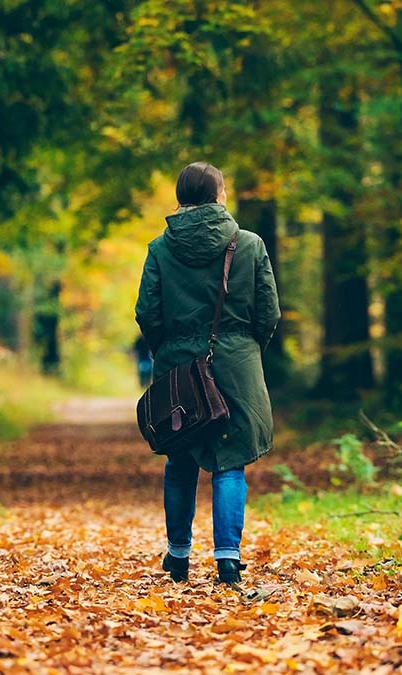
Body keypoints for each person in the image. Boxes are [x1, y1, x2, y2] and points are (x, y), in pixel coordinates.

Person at [134, 161, 281, 584]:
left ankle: (178, 556)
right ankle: (228, 560)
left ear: (181, 197)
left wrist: (168, 350)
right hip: (236, 365)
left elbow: (148, 312)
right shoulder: (249, 244)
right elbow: (268, 312)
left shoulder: (160, 248)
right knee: (230, 461)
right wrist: (247, 350)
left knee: (180, 457)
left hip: (177, 365)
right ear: (219, 194)